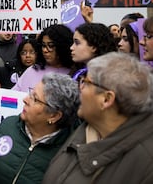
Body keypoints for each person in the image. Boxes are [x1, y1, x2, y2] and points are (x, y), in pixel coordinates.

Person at [42, 52, 153, 183]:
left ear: (106, 99)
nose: (80, 88)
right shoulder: (89, 126)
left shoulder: (145, 164)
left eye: (86, 82)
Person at [0, 72, 80, 183]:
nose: (25, 99)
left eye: (35, 99)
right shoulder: (8, 125)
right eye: (30, 94)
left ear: (54, 115)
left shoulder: (68, 156)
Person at [12, 24, 74, 92]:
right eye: (43, 45)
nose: (45, 50)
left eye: (50, 46)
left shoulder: (75, 74)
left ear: (62, 47)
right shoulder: (32, 70)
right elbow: (12, 95)